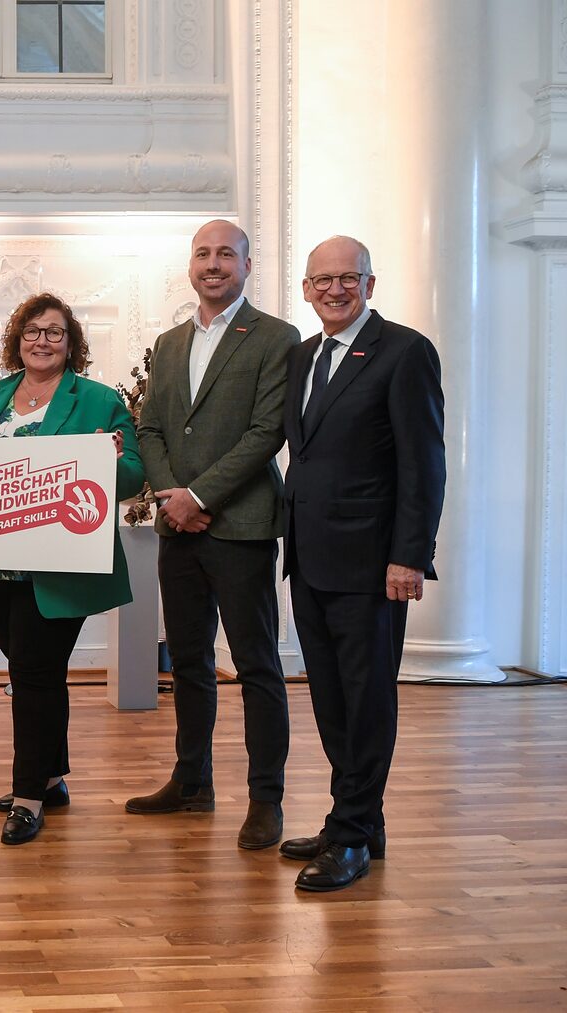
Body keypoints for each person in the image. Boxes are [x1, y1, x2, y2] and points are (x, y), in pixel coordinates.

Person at [0, 292, 142, 845]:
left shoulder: (98, 399)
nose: (42, 341)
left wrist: (111, 459)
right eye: (32, 331)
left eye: (54, 332)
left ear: (71, 342)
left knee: (32, 673)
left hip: (57, 568)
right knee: (36, 672)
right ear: (17, 340)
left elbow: (131, 476)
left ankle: (27, 796)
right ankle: (50, 778)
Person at [124, 220, 300, 851]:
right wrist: (174, 498)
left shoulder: (278, 339)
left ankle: (266, 799)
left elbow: (267, 433)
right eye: (203, 254)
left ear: (247, 266)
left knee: (256, 666)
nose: (214, 264)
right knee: (191, 661)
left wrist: (199, 497)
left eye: (227, 254)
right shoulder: (169, 344)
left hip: (242, 526)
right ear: (190, 266)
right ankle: (192, 781)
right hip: (180, 529)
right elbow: (149, 432)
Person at [280, 236, 445, 892]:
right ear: (306, 289)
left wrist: (410, 553)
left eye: (349, 278)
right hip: (311, 557)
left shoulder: (405, 352)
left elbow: (422, 461)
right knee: (330, 698)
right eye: (323, 279)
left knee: (367, 698)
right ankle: (359, 819)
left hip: (374, 563)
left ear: (370, 285)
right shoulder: (302, 356)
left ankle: (350, 833)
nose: (335, 289)